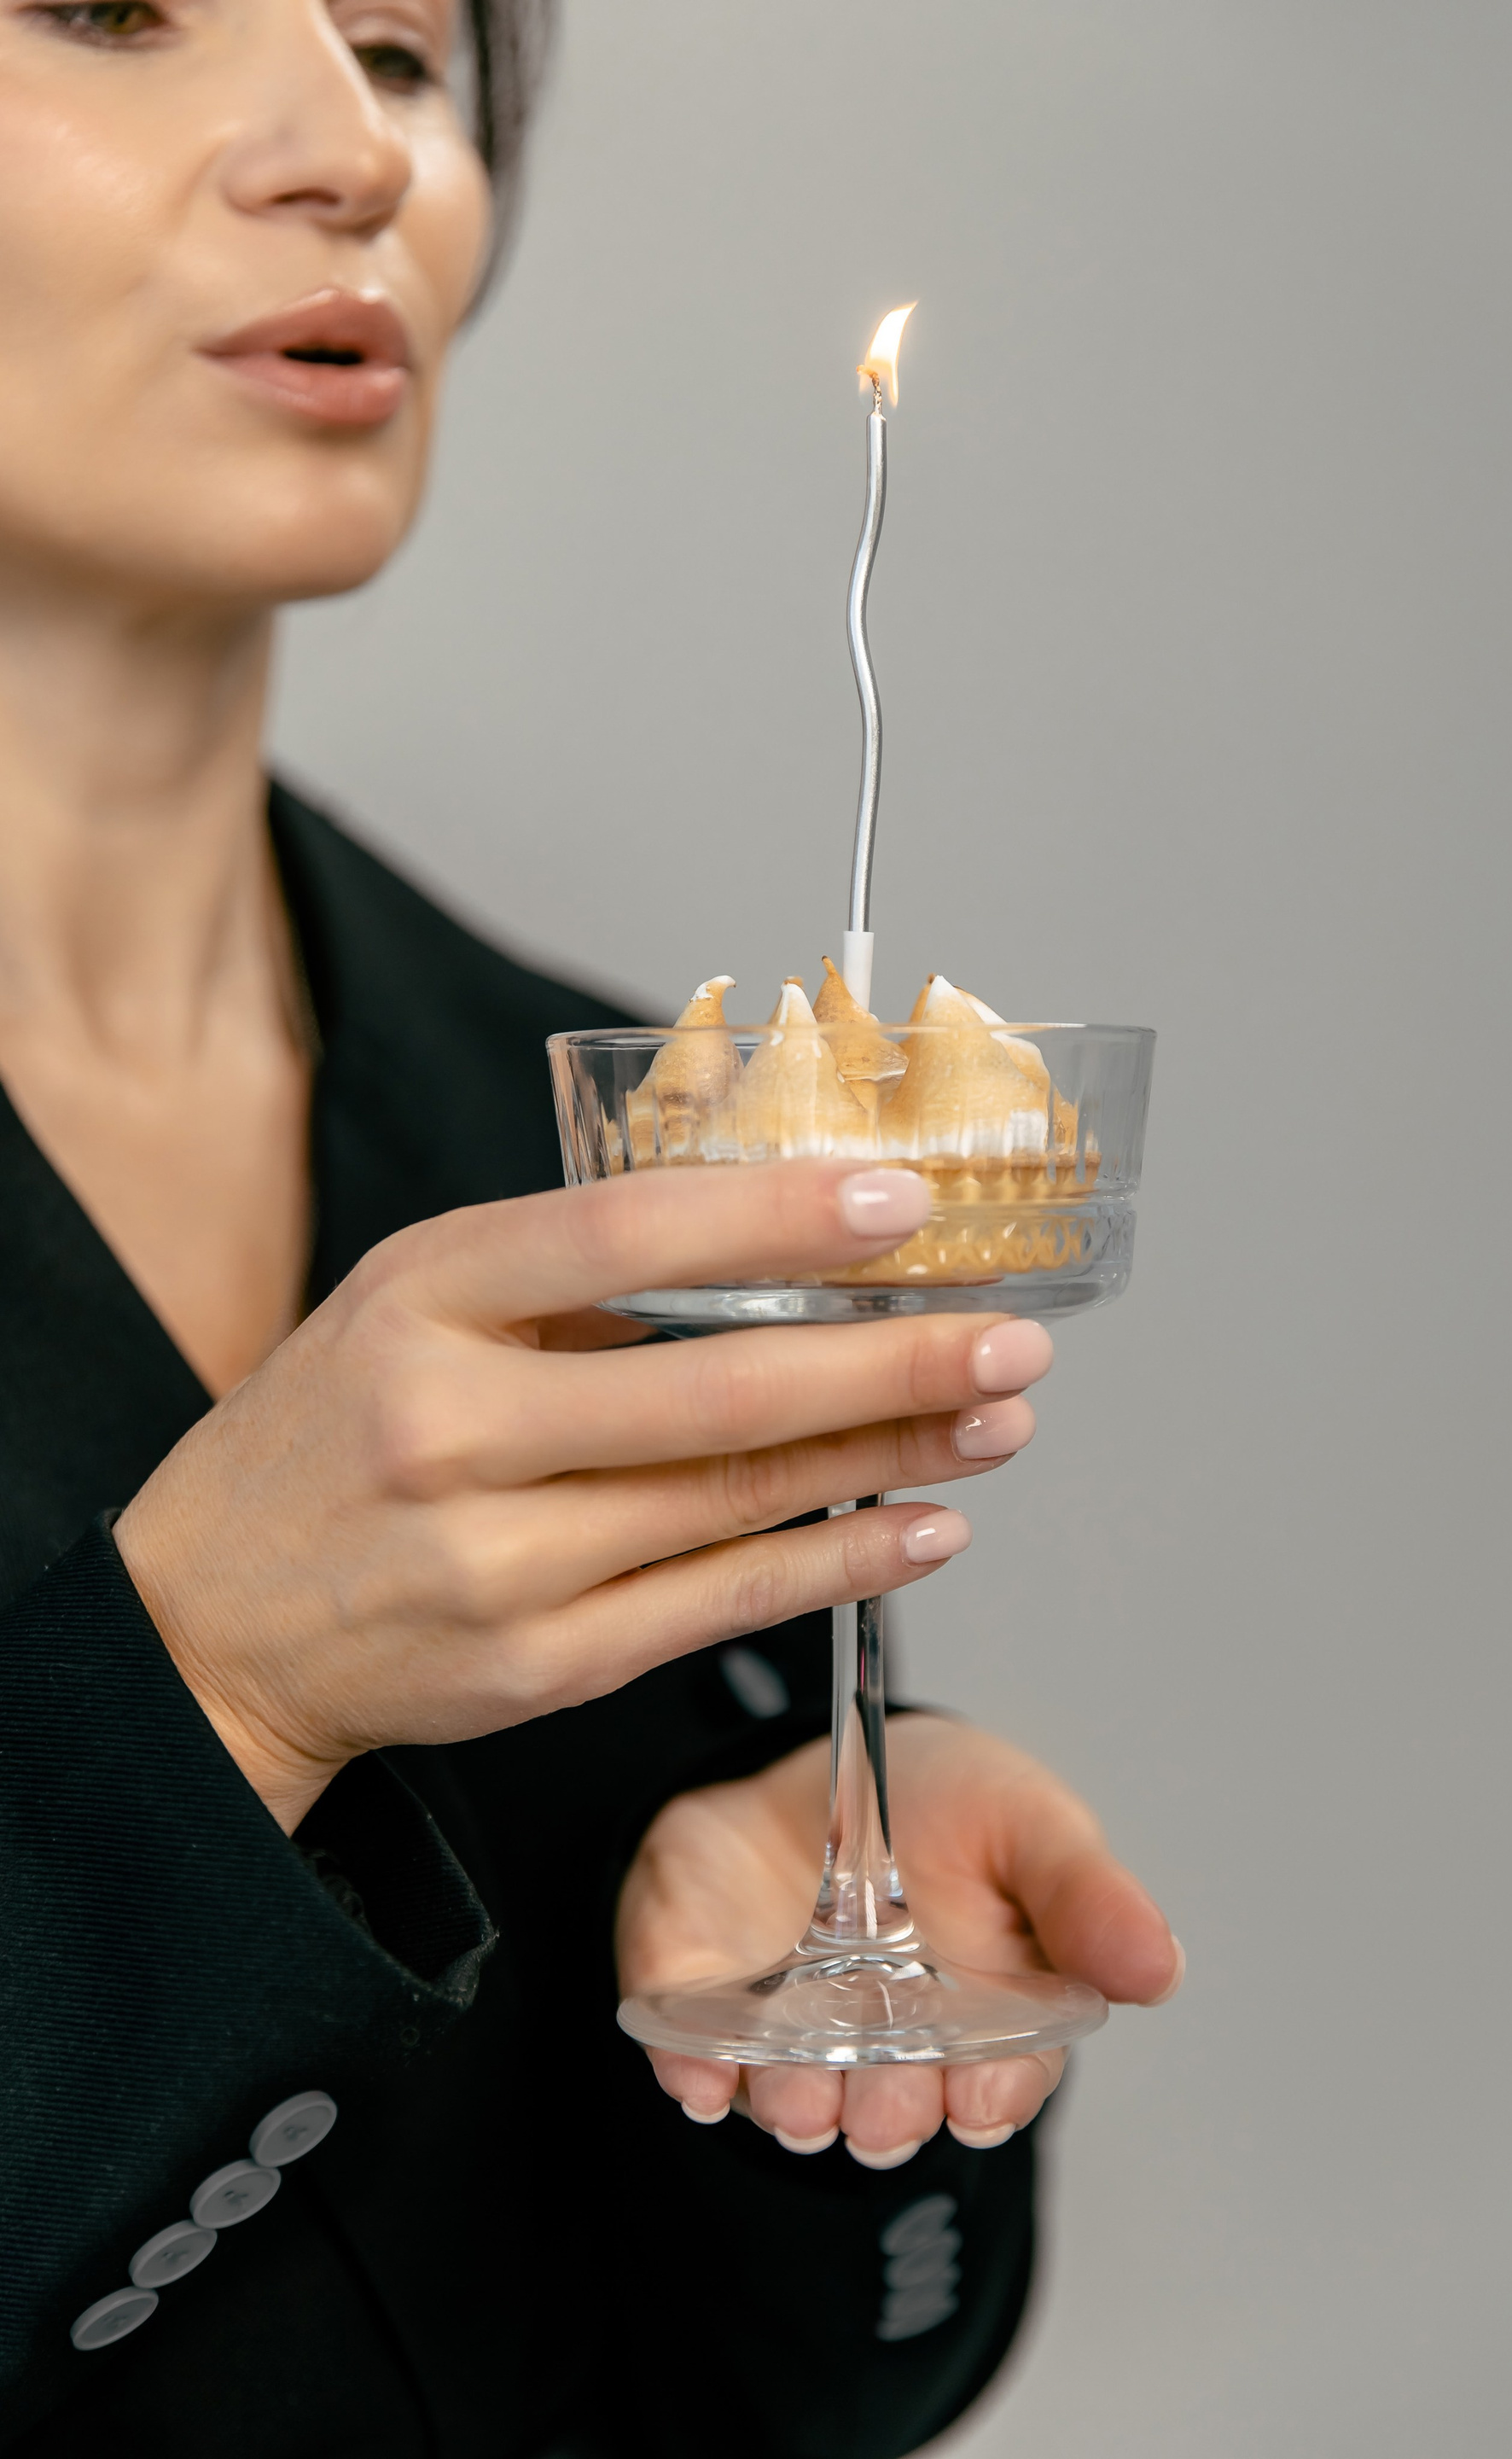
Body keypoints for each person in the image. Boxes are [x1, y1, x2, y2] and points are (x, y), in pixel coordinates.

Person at [0, 0, 1183, 2447]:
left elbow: (773, 2399)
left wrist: (796, 2050)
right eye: (113, 5)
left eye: (403, 49)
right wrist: (204, 1702)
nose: (355, 151)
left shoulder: (615, 1145)